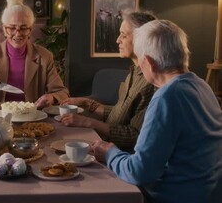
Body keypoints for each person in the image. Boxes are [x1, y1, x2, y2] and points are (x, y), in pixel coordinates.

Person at [92, 20, 222, 203]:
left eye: (139, 60)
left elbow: (139, 172)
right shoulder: (202, 85)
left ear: (149, 62)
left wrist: (110, 153)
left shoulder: (167, 97)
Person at [59, 10, 156, 152]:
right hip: (108, 145)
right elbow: (121, 114)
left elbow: (135, 136)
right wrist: (87, 103)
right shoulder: (135, 72)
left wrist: (87, 122)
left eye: (123, 35)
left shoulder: (150, 82)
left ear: (142, 39)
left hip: (121, 156)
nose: (118, 40)